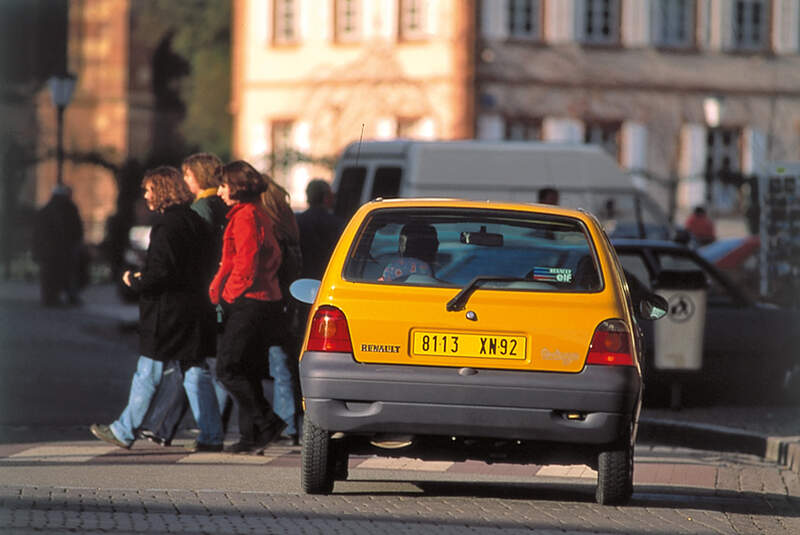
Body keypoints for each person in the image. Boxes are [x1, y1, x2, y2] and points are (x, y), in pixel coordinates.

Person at [90, 166, 223, 452]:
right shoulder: (196, 222)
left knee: (148, 370)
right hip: (195, 308)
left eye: (150, 189)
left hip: (167, 312)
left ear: (162, 191)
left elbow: (161, 272)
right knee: (195, 371)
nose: (146, 195)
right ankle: (212, 435)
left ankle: (124, 431)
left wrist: (135, 281)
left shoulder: (166, 226)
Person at [137, 153, 231, 447]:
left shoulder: (200, 209)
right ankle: (178, 428)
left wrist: (139, 281)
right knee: (195, 368)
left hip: (196, 298)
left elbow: (185, 260)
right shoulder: (218, 206)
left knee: (182, 367)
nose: (185, 180)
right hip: (211, 293)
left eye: (188, 175)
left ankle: (140, 427)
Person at [210, 160, 286, 454]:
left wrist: (226, 295)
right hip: (261, 300)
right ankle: (252, 434)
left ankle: (266, 422)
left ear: (237, 188)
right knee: (247, 368)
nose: (219, 192)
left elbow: (245, 265)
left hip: (250, 302)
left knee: (228, 368)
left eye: (223, 186)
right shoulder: (253, 214)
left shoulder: (246, 217)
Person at [261, 177, 303, 446]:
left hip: (271, 302)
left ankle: (284, 424)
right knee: (282, 364)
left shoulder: (272, 231)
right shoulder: (289, 227)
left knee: (275, 363)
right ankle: (286, 422)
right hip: (287, 304)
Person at [32, 185, 85, 306]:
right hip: (58, 249)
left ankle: (53, 298)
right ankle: (59, 297)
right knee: (61, 274)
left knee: (53, 275)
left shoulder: (47, 210)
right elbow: (76, 229)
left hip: (55, 249)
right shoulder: (66, 209)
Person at [296, 178, 343, 280]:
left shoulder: (297, 221)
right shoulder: (335, 223)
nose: (334, 198)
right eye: (331, 195)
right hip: (326, 277)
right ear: (325, 197)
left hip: (301, 279)